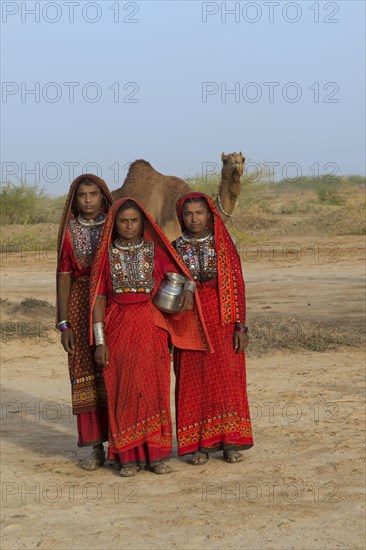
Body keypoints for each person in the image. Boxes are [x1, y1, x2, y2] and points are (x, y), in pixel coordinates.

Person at [90, 198, 210, 477]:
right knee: (124, 389)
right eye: (123, 221)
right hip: (117, 325)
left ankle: (155, 456)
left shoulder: (154, 251)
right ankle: (127, 458)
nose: (129, 226)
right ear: (114, 224)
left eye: (134, 221)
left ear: (142, 223)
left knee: (154, 388)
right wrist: (99, 340)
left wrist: (190, 290)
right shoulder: (105, 256)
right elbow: (98, 298)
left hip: (151, 326)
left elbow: (183, 272)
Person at [172, 192, 254, 465]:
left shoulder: (224, 244)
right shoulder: (173, 248)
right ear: (181, 217)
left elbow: (237, 283)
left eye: (199, 213)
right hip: (189, 320)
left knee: (227, 378)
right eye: (188, 214)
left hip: (223, 317)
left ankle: (231, 442)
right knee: (192, 380)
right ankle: (197, 445)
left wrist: (241, 326)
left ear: (209, 215)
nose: (194, 219)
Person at [56, 174, 113, 470]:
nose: (88, 199)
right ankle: (93, 447)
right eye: (82, 195)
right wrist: (63, 323)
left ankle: (119, 443)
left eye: (93, 194)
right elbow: (63, 277)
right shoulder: (69, 231)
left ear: (103, 196)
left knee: (113, 370)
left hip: (111, 306)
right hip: (79, 304)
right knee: (84, 371)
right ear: (75, 199)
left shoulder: (116, 225)